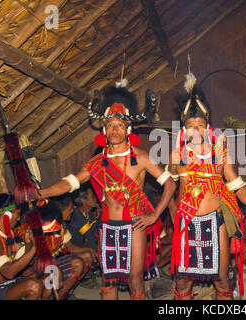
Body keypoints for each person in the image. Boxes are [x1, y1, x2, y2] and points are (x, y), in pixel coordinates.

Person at [39, 84, 176, 300]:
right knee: (108, 280)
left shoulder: (140, 158)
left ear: (128, 129)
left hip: (135, 224)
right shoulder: (96, 163)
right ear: (104, 129)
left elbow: (170, 184)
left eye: (120, 125)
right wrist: (39, 193)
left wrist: (154, 215)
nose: (114, 130)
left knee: (135, 278)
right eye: (110, 125)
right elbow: (68, 184)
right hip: (108, 225)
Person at [166, 71, 246, 300]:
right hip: (186, 222)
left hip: (216, 222)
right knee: (183, 280)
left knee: (222, 277)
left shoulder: (220, 154)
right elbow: (169, 188)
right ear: (184, 129)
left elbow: (238, 187)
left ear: (208, 127)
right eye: (191, 125)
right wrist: (173, 212)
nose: (196, 130)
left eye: (200, 124)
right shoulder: (177, 156)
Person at [0, 194, 43, 300]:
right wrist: (33, 249)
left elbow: (29, 262)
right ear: (6, 214)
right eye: (17, 214)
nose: (18, 218)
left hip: (7, 286)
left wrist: (29, 244)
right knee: (33, 286)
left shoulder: (9, 236)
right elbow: (8, 272)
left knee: (47, 276)